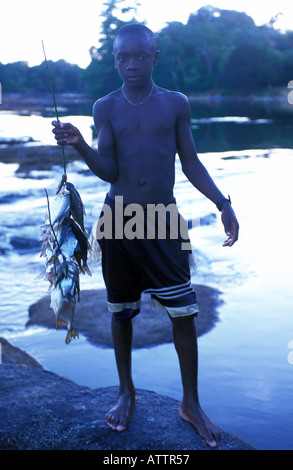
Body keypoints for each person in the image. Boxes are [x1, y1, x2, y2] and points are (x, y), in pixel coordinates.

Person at [52, 23, 239, 448]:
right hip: (117, 221)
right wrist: (81, 144)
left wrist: (222, 203)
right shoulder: (106, 107)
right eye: (123, 57)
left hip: (164, 219)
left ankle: (190, 402)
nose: (131, 64)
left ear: (155, 56)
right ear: (114, 60)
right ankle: (126, 391)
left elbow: (190, 161)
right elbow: (111, 172)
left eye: (140, 55)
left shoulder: (175, 104)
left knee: (184, 313)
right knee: (121, 312)